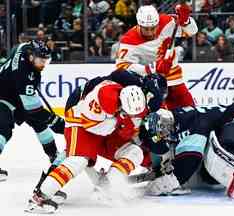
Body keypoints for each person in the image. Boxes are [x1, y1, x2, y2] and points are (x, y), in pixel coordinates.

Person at [25, 77, 149, 213]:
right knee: (78, 161)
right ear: (121, 102)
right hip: (81, 123)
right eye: (126, 112)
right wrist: (120, 123)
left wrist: (126, 125)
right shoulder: (104, 96)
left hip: (107, 126)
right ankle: (41, 196)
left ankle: (108, 183)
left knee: (135, 152)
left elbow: (126, 130)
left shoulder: (136, 104)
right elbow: (91, 126)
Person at [141, 103, 234, 199]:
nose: (165, 135)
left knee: (217, 157)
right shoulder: (176, 119)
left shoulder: (191, 124)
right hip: (231, 123)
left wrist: (171, 182)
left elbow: (191, 159)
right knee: (209, 178)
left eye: (163, 132)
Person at [0, 41, 65, 181]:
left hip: (16, 92)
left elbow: (16, 47)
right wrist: (55, 121)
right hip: (3, 95)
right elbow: (34, 110)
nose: (43, 64)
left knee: (39, 124)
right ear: (31, 56)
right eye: (41, 60)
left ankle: (53, 155)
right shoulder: (24, 75)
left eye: (46, 60)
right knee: (3, 127)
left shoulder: (24, 47)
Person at [115, 4, 198, 110]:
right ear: (139, 24)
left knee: (191, 110)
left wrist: (186, 21)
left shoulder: (166, 22)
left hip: (174, 77)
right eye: (146, 29)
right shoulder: (128, 41)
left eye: (153, 28)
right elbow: (121, 67)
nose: (150, 32)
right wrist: (150, 69)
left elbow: (192, 31)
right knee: (160, 118)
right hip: (150, 83)